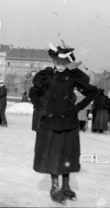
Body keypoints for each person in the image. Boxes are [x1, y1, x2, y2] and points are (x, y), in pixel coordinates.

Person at [32, 42, 97, 205]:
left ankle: (66, 187)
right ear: (53, 61)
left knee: (68, 155)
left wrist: (78, 107)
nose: (60, 66)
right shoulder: (46, 76)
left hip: (69, 120)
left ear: (68, 63)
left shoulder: (74, 75)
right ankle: (54, 187)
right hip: (52, 121)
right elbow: (33, 93)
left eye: (63, 63)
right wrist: (42, 109)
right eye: (57, 63)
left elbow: (92, 92)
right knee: (54, 155)